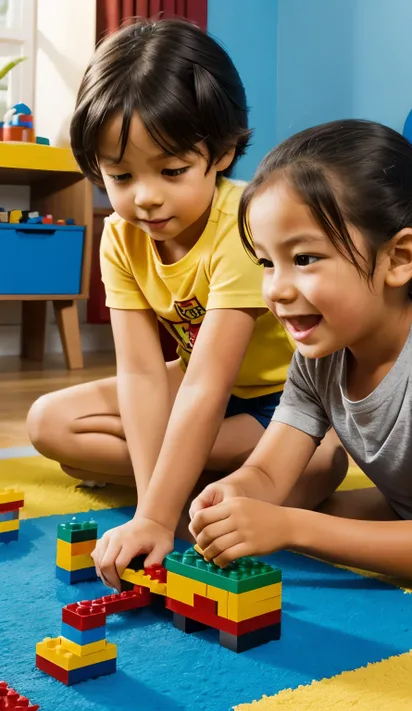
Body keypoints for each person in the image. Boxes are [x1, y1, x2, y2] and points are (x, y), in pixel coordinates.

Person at [27, 20, 345, 590]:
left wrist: (152, 513)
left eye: (172, 171)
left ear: (221, 153)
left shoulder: (247, 222)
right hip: (196, 387)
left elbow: (207, 387)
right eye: (119, 176)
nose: (145, 197)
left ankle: (249, 479)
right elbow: (143, 373)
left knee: (314, 465)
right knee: (51, 423)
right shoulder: (120, 236)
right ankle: (202, 489)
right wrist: (157, 508)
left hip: (279, 404)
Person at [189, 119, 412, 587]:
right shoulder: (319, 355)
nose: (276, 289)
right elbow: (267, 471)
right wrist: (235, 491)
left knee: (300, 523)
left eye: (304, 259)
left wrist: (288, 526)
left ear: (399, 258)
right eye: (266, 262)